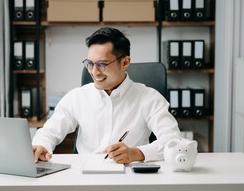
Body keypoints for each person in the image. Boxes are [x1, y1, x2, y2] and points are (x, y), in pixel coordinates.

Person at [32, 27, 180, 164]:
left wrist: (136, 153)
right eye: (90, 63)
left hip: (131, 178)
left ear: (125, 62)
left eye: (102, 64)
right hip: (85, 177)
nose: (94, 72)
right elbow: (50, 131)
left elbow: (173, 140)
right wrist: (41, 145)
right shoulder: (78, 96)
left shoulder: (149, 98)